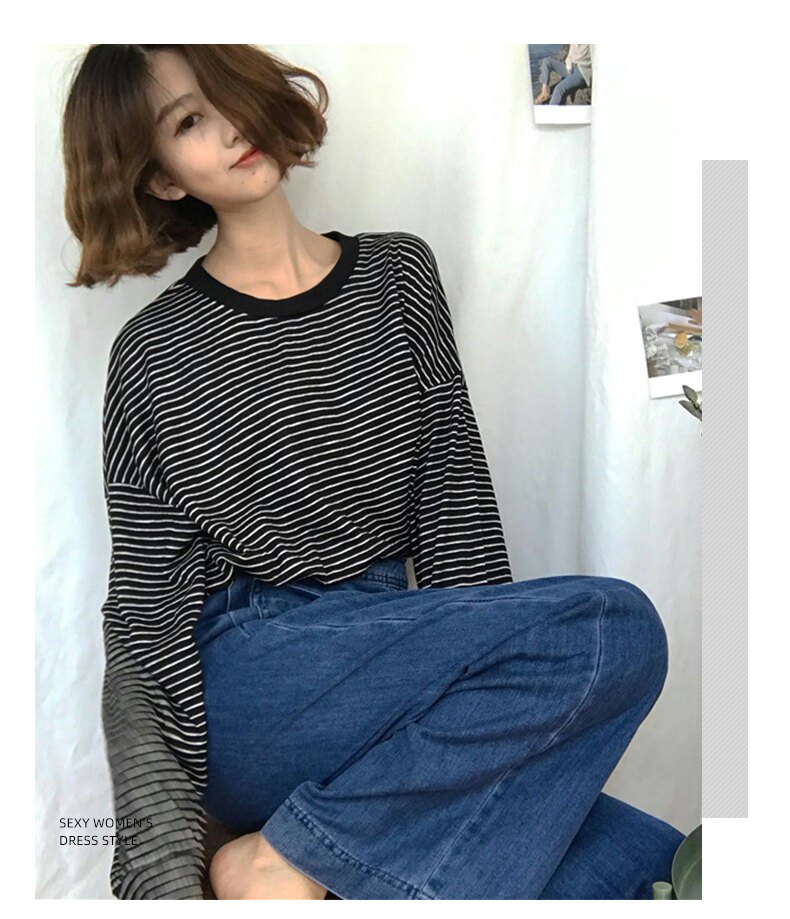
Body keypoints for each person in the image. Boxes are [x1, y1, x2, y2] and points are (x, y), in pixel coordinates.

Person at [61, 44, 684, 900]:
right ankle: (285, 856)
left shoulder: (398, 275)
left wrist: (498, 705)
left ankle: (297, 860)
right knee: (613, 625)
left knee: (664, 871)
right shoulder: (156, 350)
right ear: (163, 178)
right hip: (260, 679)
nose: (232, 127)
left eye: (225, 96)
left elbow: (455, 511)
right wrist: (165, 882)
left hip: (400, 660)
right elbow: (144, 618)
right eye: (190, 122)